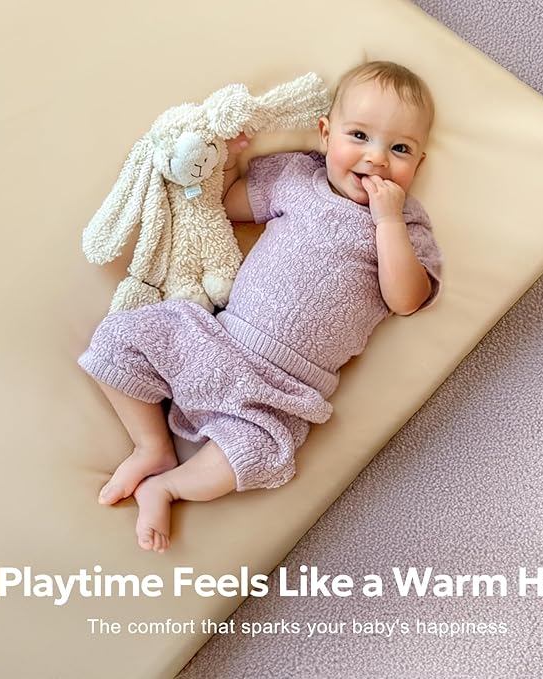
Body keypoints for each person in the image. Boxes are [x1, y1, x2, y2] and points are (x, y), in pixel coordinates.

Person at [78, 60, 443, 553]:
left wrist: (388, 223)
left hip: (282, 390)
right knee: (117, 339)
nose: (376, 158)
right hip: (218, 340)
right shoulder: (298, 177)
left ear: (419, 162)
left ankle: (168, 486)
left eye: (400, 149)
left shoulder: (408, 227)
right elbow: (229, 205)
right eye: (359, 136)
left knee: (259, 455)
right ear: (325, 133)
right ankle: (152, 447)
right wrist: (230, 162)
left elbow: (406, 300)